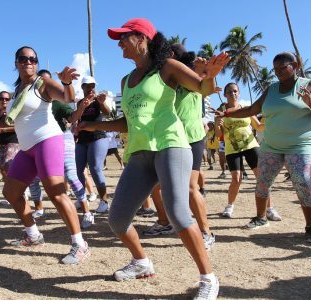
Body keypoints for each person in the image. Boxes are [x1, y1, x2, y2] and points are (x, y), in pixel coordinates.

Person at [78, 18, 229, 299]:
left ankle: (209, 279)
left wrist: (210, 75)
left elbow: (202, 89)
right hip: (139, 152)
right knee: (117, 219)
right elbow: (128, 123)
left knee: (178, 214)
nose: (120, 43)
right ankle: (141, 262)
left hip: (172, 146)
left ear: (143, 39)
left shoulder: (167, 68)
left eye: (124, 37)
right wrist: (93, 126)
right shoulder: (127, 80)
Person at [0, 46, 89, 264]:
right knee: (11, 192)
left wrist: (67, 82)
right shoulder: (18, 92)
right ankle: (33, 235)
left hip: (47, 141)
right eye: (23, 59)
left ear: (37, 63)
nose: (28, 62)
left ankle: (80, 244)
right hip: (27, 147)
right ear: (16, 63)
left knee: (56, 192)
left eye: (33, 59)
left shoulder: (43, 83)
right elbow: (12, 120)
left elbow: (67, 98)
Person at [212, 52, 311, 243]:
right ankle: (261, 218)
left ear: (295, 65)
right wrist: (227, 113)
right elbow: (252, 110)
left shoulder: (310, 85)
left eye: (282, 68)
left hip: (301, 145)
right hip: (272, 145)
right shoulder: (271, 89)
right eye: (275, 69)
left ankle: (310, 226)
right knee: (262, 181)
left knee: (302, 181)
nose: (278, 72)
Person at [142, 44, 216, 249]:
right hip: (169, 139)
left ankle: (206, 232)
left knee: (191, 188)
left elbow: (205, 85)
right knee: (156, 187)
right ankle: (165, 222)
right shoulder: (163, 76)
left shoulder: (190, 73)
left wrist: (207, 72)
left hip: (191, 137)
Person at [37, 69, 96, 229]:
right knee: (38, 178)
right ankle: (39, 209)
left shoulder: (57, 103)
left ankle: (87, 212)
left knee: (70, 174)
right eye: (41, 81)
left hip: (63, 137)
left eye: (48, 81)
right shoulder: (33, 104)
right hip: (43, 141)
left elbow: (72, 118)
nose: (45, 84)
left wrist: (82, 107)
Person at [215, 83, 281, 221]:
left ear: (238, 93)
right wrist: (217, 123)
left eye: (235, 91)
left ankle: (269, 209)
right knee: (236, 179)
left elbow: (258, 126)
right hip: (232, 147)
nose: (232, 94)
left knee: (261, 177)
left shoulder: (246, 109)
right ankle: (230, 206)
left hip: (251, 145)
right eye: (229, 92)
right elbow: (219, 134)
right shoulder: (221, 110)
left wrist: (273, 120)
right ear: (224, 95)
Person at [75, 76, 111, 213]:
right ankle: (81, 199)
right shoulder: (80, 103)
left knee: (95, 168)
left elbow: (107, 113)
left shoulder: (98, 100)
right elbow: (77, 119)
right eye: (87, 85)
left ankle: (104, 201)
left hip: (98, 137)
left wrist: (102, 103)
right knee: (77, 170)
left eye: (92, 85)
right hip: (82, 139)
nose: (90, 88)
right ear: (82, 87)